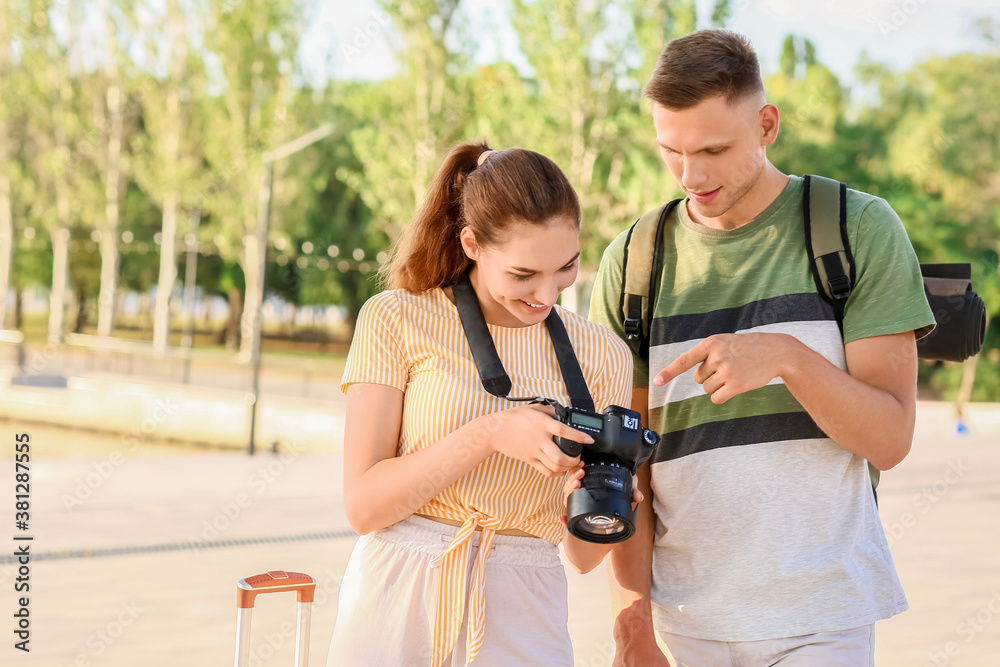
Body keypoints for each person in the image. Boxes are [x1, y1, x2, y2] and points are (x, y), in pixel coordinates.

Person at [589, 29, 936, 667]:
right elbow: (621, 461)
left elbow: (890, 437)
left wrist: (787, 358)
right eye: (672, 150)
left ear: (767, 124)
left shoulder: (857, 229)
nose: (691, 175)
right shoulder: (634, 261)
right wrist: (629, 620)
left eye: (714, 149)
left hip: (821, 620)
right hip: (681, 625)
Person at [327, 140, 637, 667]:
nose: (547, 294)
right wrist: (491, 433)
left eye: (566, 267)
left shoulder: (603, 354)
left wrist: (611, 503)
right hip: (398, 598)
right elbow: (363, 506)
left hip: (525, 608)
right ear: (471, 243)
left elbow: (583, 558)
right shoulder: (395, 318)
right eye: (523, 275)